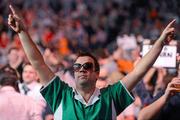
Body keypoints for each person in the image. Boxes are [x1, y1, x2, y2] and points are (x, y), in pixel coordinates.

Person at [8, 5, 176, 120]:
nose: (81, 69)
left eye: (87, 66)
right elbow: (38, 62)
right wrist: (22, 32)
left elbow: (140, 71)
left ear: (97, 74)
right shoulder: (60, 94)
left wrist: (160, 43)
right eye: (77, 66)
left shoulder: (111, 97)